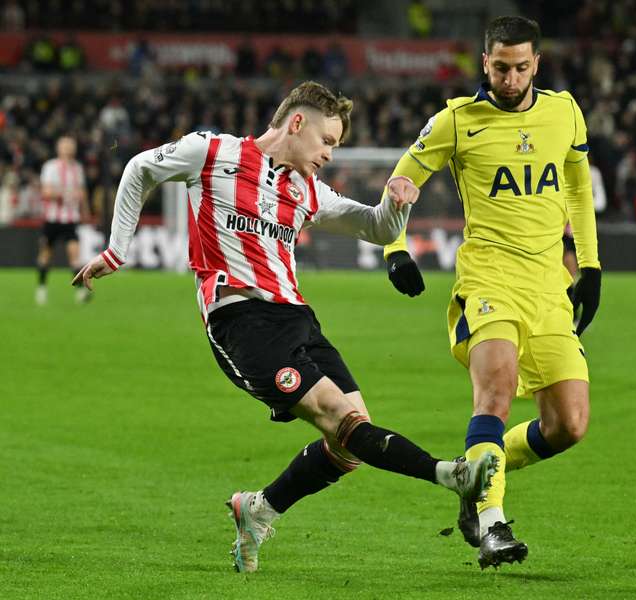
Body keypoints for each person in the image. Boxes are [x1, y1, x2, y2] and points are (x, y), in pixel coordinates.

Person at [72, 81, 498, 573]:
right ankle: (450, 475)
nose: (330, 155)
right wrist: (117, 248)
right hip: (240, 320)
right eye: (327, 142)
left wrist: (397, 203)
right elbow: (138, 168)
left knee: (350, 443)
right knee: (343, 418)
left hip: (298, 319)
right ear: (297, 123)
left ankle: (260, 509)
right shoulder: (211, 152)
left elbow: (377, 227)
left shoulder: (307, 190)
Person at [381, 16, 601, 568]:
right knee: (496, 392)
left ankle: (475, 473)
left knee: (569, 424)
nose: (510, 78)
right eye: (500, 67)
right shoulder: (457, 120)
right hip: (489, 280)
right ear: (485, 63)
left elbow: (577, 185)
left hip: (551, 284)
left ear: (537, 64)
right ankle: (492, 522)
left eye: (521, 67)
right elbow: (401, 181)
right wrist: (395, 248)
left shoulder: (565, 111)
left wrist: (591, 267)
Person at [36, 135, 90, 305]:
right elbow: (45, 192)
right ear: (59, 148)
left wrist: (85, 210)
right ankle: (41, 289)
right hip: (52, 219)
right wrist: (65, 193)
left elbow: (82, 192)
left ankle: (81, 292)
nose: (68, 149)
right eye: (65, 146)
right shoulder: (50, 167)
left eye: (70, 146)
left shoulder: (78, 169)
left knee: (75, 254)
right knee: (45, 255)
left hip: (70, 219)